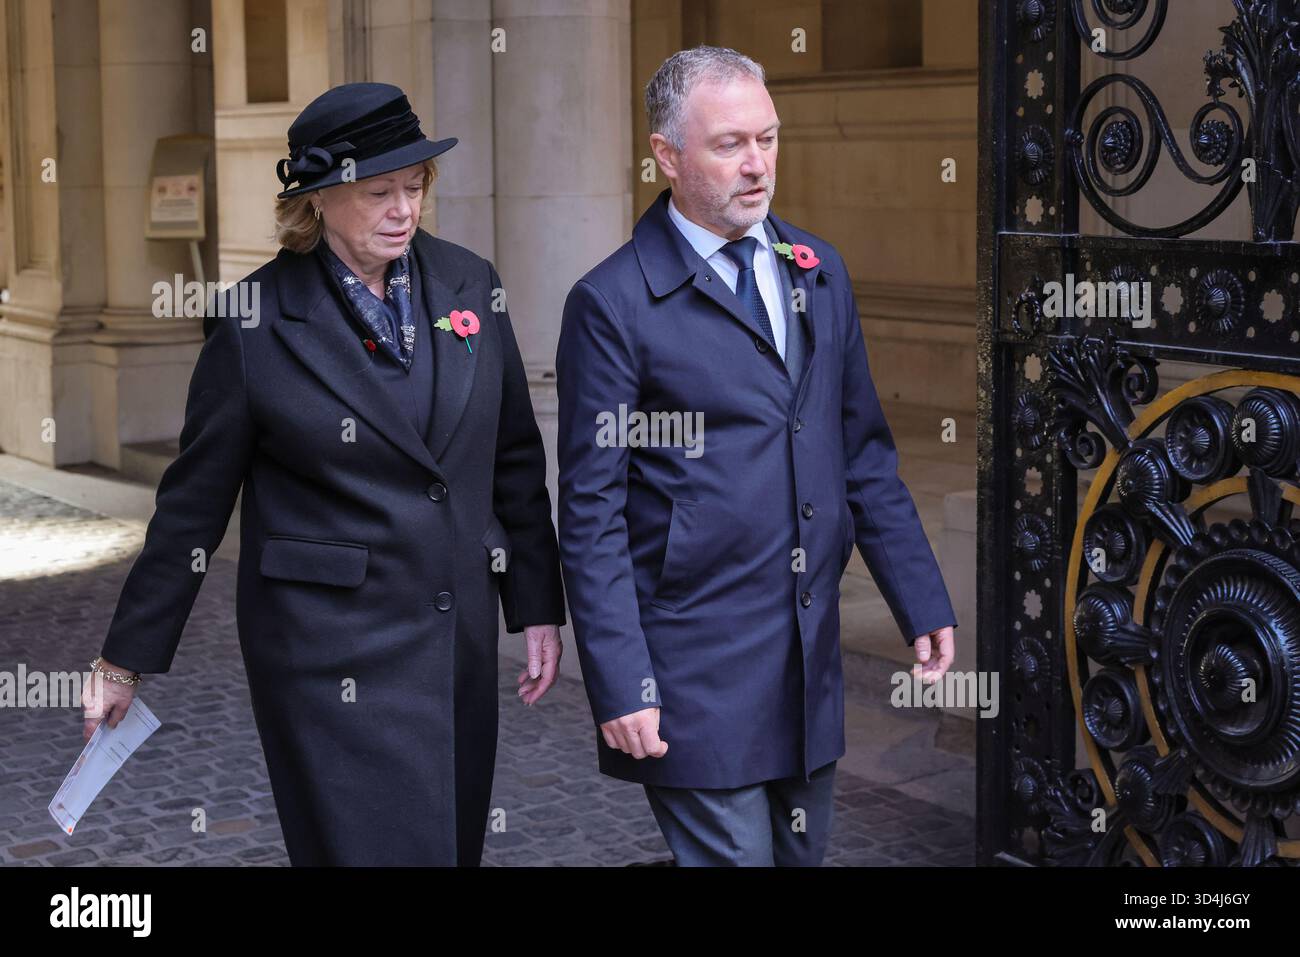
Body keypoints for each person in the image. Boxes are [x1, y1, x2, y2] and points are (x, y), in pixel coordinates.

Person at [82, 82, 566, 866]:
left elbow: (512, 456)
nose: (403, 209)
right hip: (327, 658)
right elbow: (193, 508)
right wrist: (122, 658)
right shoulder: (253, 323)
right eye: (379, 191)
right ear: (318, 200)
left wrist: (536, 602)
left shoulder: (471, 283)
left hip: (453, 641)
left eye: (414, 187)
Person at [556, 47, 957, 866]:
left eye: (768, 139)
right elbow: (591, 509)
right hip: (691, 668)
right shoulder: (612, 303)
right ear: (667, 155)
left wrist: (921, 598)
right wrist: (620, 675)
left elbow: (862, 453)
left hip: (806, 663)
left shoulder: (818, 270)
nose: (757, 165)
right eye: (730, 143)